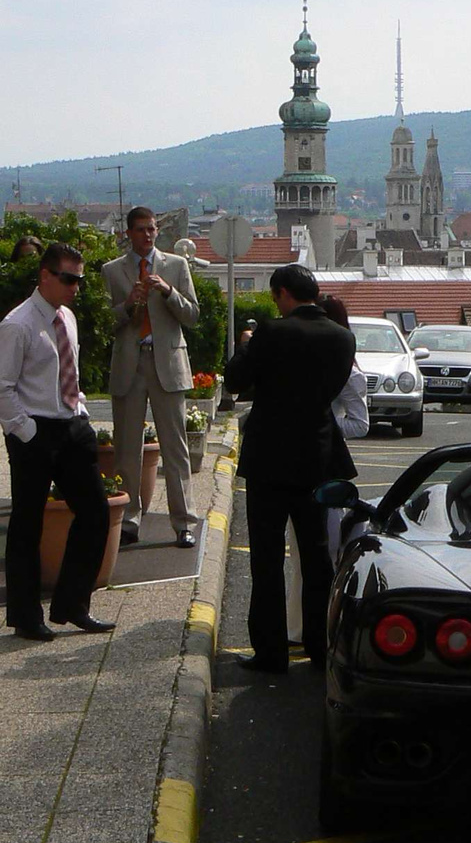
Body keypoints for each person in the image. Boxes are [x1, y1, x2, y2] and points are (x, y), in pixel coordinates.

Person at [224, 265, 356, 673]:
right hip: (315, 455)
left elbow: (234, 380)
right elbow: (332, 390)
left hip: (269, 458)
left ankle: (270, 651)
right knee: (316, 557)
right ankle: (320, 645)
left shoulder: (271, 331)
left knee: (266, 558)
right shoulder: (342, 338)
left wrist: (246, 345)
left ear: (282, 294)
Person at [0, 242, 114, 638]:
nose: (75, 287)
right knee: (27, 524)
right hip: (34, 430)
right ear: (45, 276)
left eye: (79, 279)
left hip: (70, 425)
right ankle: (25, 617)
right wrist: (27, 432)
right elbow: (3, 387)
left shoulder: (67, 317)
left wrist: (79, 407)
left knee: (96, 512)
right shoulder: (18, 324)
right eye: (68, 279)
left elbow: (69, 369)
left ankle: (72, 604)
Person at [101, 207, 200, 548]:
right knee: (127, 448)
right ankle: (128, 518)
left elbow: (192, 315)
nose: (148, 235)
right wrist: (128, 304)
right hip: (130, 363)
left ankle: (184, 521)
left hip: (167, 364)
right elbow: (105, 322)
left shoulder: (176, 265)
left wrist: (169, 292)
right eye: (141, 230)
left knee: (176, 448)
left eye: (152, 229)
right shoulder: (112, 271)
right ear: (129, 233)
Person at [284, 295, 368, 646]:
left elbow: (360, 424)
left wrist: (327, 430)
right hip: (301, 461)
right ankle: (298, 627)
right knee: (300, 551)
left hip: (328, 467)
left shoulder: (349, 370)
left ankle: (318, 628)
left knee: (323, 551)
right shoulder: (310, 362)